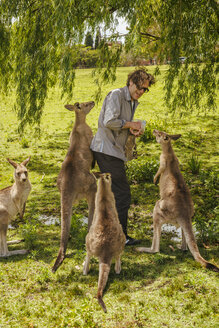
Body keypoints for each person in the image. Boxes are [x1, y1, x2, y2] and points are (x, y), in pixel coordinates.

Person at [90, 69, 155, 245]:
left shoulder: (132, 101)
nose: (141, 92)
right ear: (131, 83)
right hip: (106, 150)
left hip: (115, 151)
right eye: (140, 87)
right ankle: (120, 237)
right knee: (123, 194)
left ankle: (110, 233)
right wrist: (130, 124)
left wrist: (132, 129)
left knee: (115, 194)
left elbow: (120, 124)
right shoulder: (116, 95)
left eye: (145, 90)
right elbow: (108, 121)